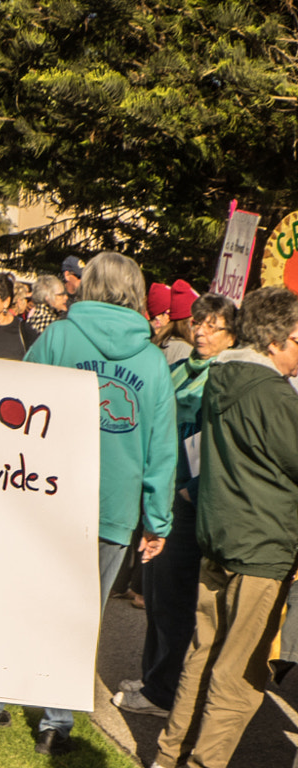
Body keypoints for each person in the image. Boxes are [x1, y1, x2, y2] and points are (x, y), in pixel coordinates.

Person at [0, 251, 175, 753]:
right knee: (82, 615)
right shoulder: (152, 361)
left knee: (16, 594)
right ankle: (55, 723)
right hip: (112, 506)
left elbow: (15, 409)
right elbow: (161, 449)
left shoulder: (57, 338)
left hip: (45, 494)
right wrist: (157, 520)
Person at [147, 285, 298, 768]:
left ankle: (170, 756)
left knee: (204, 652)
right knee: (240, 669)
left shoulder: (224, 376)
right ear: (280, 339)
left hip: (222, 532)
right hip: (260, 544)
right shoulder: (273, 393)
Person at [120, 294, 237, 717]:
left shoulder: (226, 380)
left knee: (173, 599)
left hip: (189, 503)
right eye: (200, 323)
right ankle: (155, 676)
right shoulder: (176, 370)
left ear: (232, 335)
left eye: (214, 326)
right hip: (160, 491)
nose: (202, 331)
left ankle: (164, 693)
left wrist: (192, 489)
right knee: (153, 591)